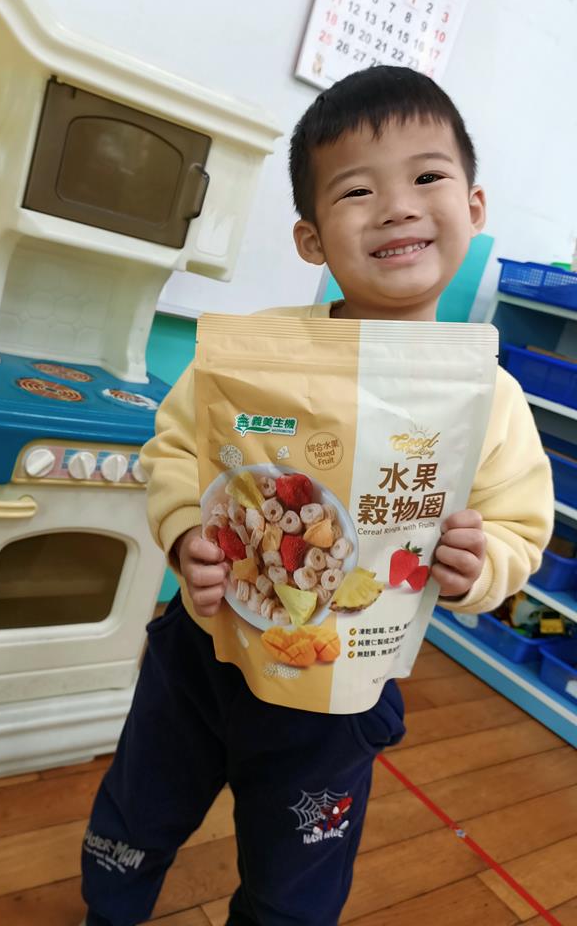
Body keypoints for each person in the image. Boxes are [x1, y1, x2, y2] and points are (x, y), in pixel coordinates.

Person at [80, 66, 553, 926]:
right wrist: (186, 529)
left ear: (474, 206)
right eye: (357, 190)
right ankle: (109, 908)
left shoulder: (490, 394)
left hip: (341, 687)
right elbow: (176, 447)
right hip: (205, 650)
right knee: (138, 811)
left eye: (428, 176)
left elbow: (520, 523)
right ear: (311, 238)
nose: (398, 207)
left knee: (296, 883)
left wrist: (483, 565)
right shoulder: (255, 353)